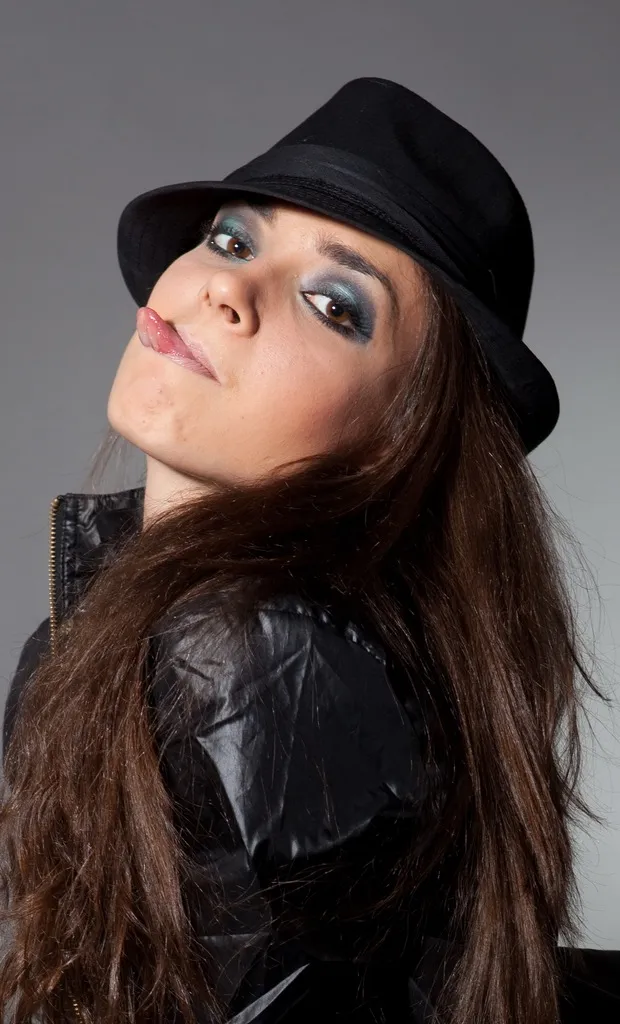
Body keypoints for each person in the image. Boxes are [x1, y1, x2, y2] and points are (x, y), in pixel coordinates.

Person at [0, 76, 618, 1024]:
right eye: (233, 239)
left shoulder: (251, 656)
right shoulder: (113, 633)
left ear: (401, 435)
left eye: (334, 304)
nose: (226, 287)